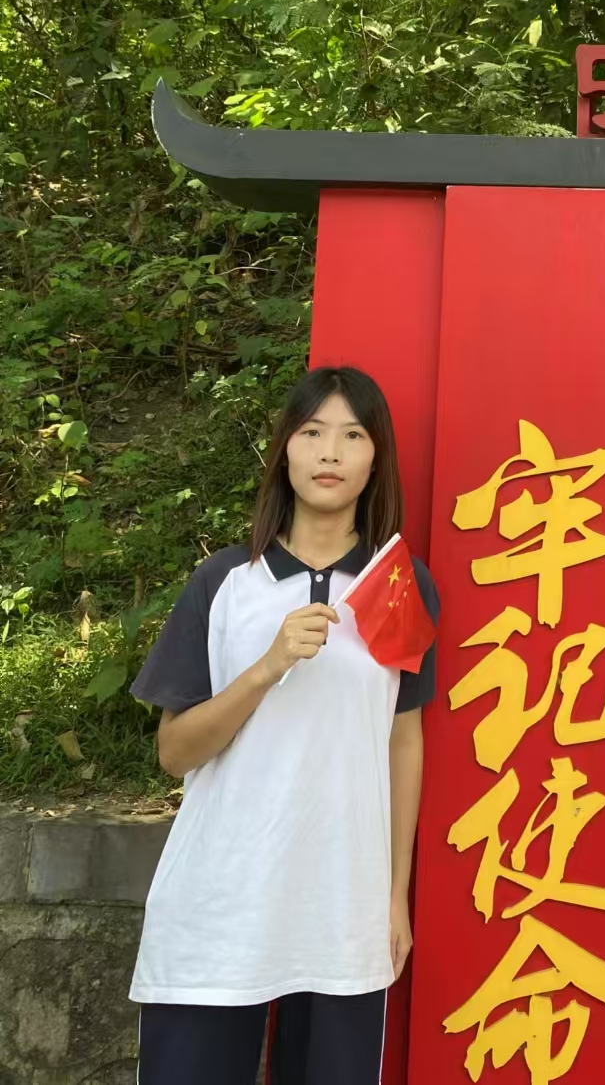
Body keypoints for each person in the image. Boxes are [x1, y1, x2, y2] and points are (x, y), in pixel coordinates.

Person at [128, 365, 440, 1085]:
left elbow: (403, 740)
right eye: (312, 432)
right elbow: (175, 752)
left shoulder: (399, 585)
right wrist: (266, 667)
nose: (330, 452)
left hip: (341, 907)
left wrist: (393, 895)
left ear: (376, 459)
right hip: (219, 903)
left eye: (352, 435)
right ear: (285, 451)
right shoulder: (225, 583)